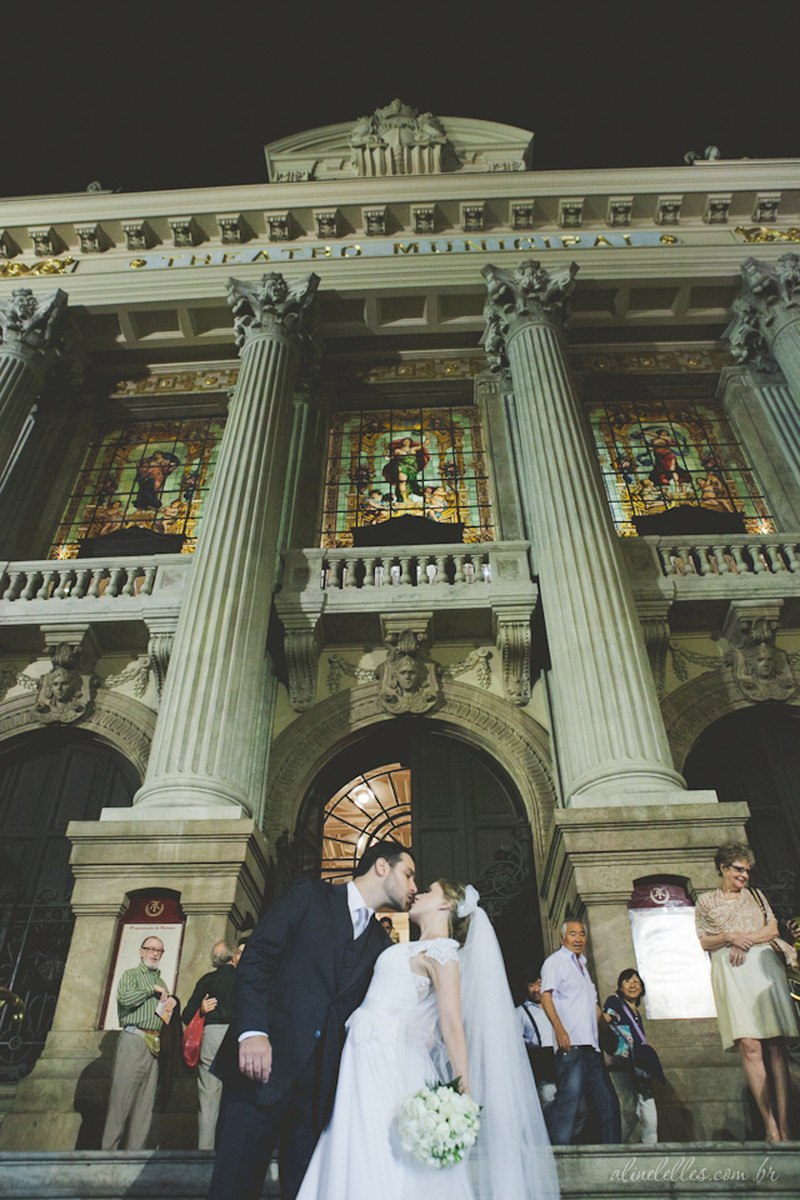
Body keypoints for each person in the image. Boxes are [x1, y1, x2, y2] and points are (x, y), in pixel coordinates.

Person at [296, 881, 559, 1200]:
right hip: (366, 1047)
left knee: (376, 1142)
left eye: (429, 890)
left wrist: (464, 1091)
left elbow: (451, 1022)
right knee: (355, 1138)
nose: (418, 892)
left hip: (385, 1054)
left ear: (445, 905)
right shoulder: (411, 947)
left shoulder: (444, 952)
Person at [207, 840, 417, 1200]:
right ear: (382, 866)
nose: (414, 887)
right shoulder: (309, 895)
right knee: (234, 1186)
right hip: (260, 1068)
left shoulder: (382, 946)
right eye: (409, 874)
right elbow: (256, 958)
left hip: (320, 1094)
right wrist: (253, 1031)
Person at [695, 842, 799, 1142]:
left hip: (762, 968)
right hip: (731, 973)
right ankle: (770, 1127)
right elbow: (704, 941)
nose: (744, 876)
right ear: (723, 869)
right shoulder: (705, 902)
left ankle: (786, 1124)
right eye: (739, 870)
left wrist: (743, 940)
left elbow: (772, 930)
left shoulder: (755, 895)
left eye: (747, 871)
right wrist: (729, 937)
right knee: (750, 1046)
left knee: (776, 1047)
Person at [540, 919, 619, 1145]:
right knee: (569, 1104)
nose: (578, 938)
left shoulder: (583, 967)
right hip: (571, 1047)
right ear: (563, 938)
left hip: (592, 1049)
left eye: (582, 934)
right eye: (573, 934)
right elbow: (546, 996)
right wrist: (559, 1029)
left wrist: (608, 1035)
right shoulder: (555, 962)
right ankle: (559, 1158)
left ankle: (613, 1157)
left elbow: (593, 1007)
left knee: (608, 1104)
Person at [101, 936, 176, 1149]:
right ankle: (107, 1156)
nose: (155, 953)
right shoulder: (131, 975)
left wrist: (171, 1003)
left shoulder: (162, 982)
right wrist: (150, 990)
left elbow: (163, 1014)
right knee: (120, 1101)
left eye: (159, 950)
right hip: (134, 1039)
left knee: (144, 1106)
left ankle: (134, 1156)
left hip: (154, 1043)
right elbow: (124, 998)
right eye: (150, 949)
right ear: (140, 951)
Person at [182, 940, 242, 1149]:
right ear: (233, 956)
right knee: (237, 1096)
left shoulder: (206, 980)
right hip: (236, 1038)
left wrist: (201, 1009)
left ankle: (204, 1150)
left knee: (208, 1097)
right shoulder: (243, 978)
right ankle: (231, 1149)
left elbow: (186, 1015)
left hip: (211, 1036)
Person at [602, 969, 660, 1144]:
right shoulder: (615, 1002)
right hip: (621, 1065)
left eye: (636, 982)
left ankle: (652, 1152)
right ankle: (613, 1146)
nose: (633, 985)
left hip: (639, 1067)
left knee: (649, 1113)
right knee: (628, 1111)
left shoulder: (637, 1013)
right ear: (620, 987)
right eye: (628, 981)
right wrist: (610, 1048)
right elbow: (602, 1024)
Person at [517, 975, 557, 1115]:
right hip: (541, 1064)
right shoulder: (520, 1012)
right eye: (531, 985)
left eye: (540, 984)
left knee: (580, 1109)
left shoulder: (556, 1005)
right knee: (548, 1104)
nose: (537, 989)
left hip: (561, 1060)